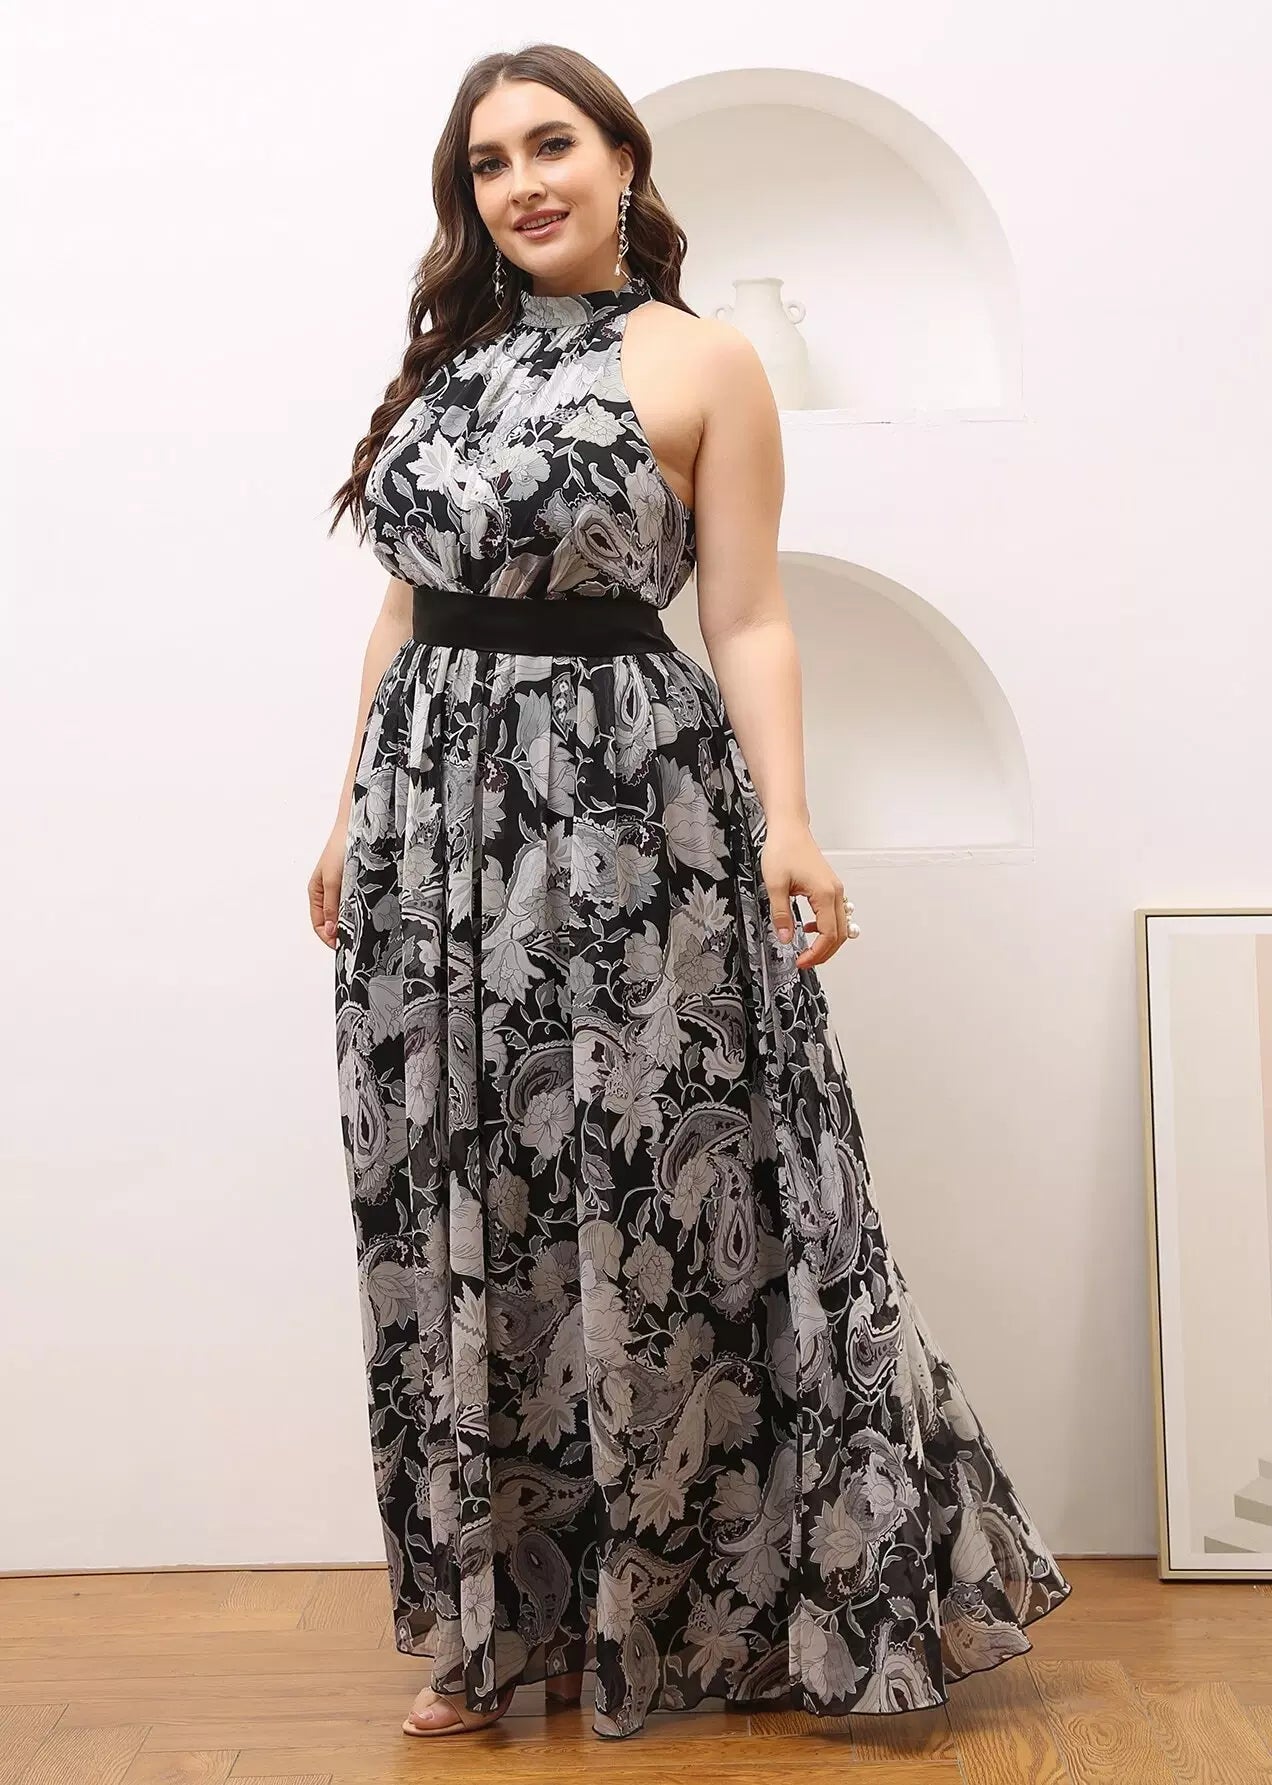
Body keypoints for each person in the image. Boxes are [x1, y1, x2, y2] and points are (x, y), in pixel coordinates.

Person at [308, 40, 1071, 1745]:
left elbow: (748, 613)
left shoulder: (704, 357)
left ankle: (682, 1610)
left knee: (651, 1198)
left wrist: (792, 820)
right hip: (433, 835)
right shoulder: (446, 365)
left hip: (623, 823)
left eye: (551, 144)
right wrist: (350, 806)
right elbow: (402, 608)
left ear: (625, 160)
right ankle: (494, 1625)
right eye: (489, 162)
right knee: (463, 1198)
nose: (523, 183)